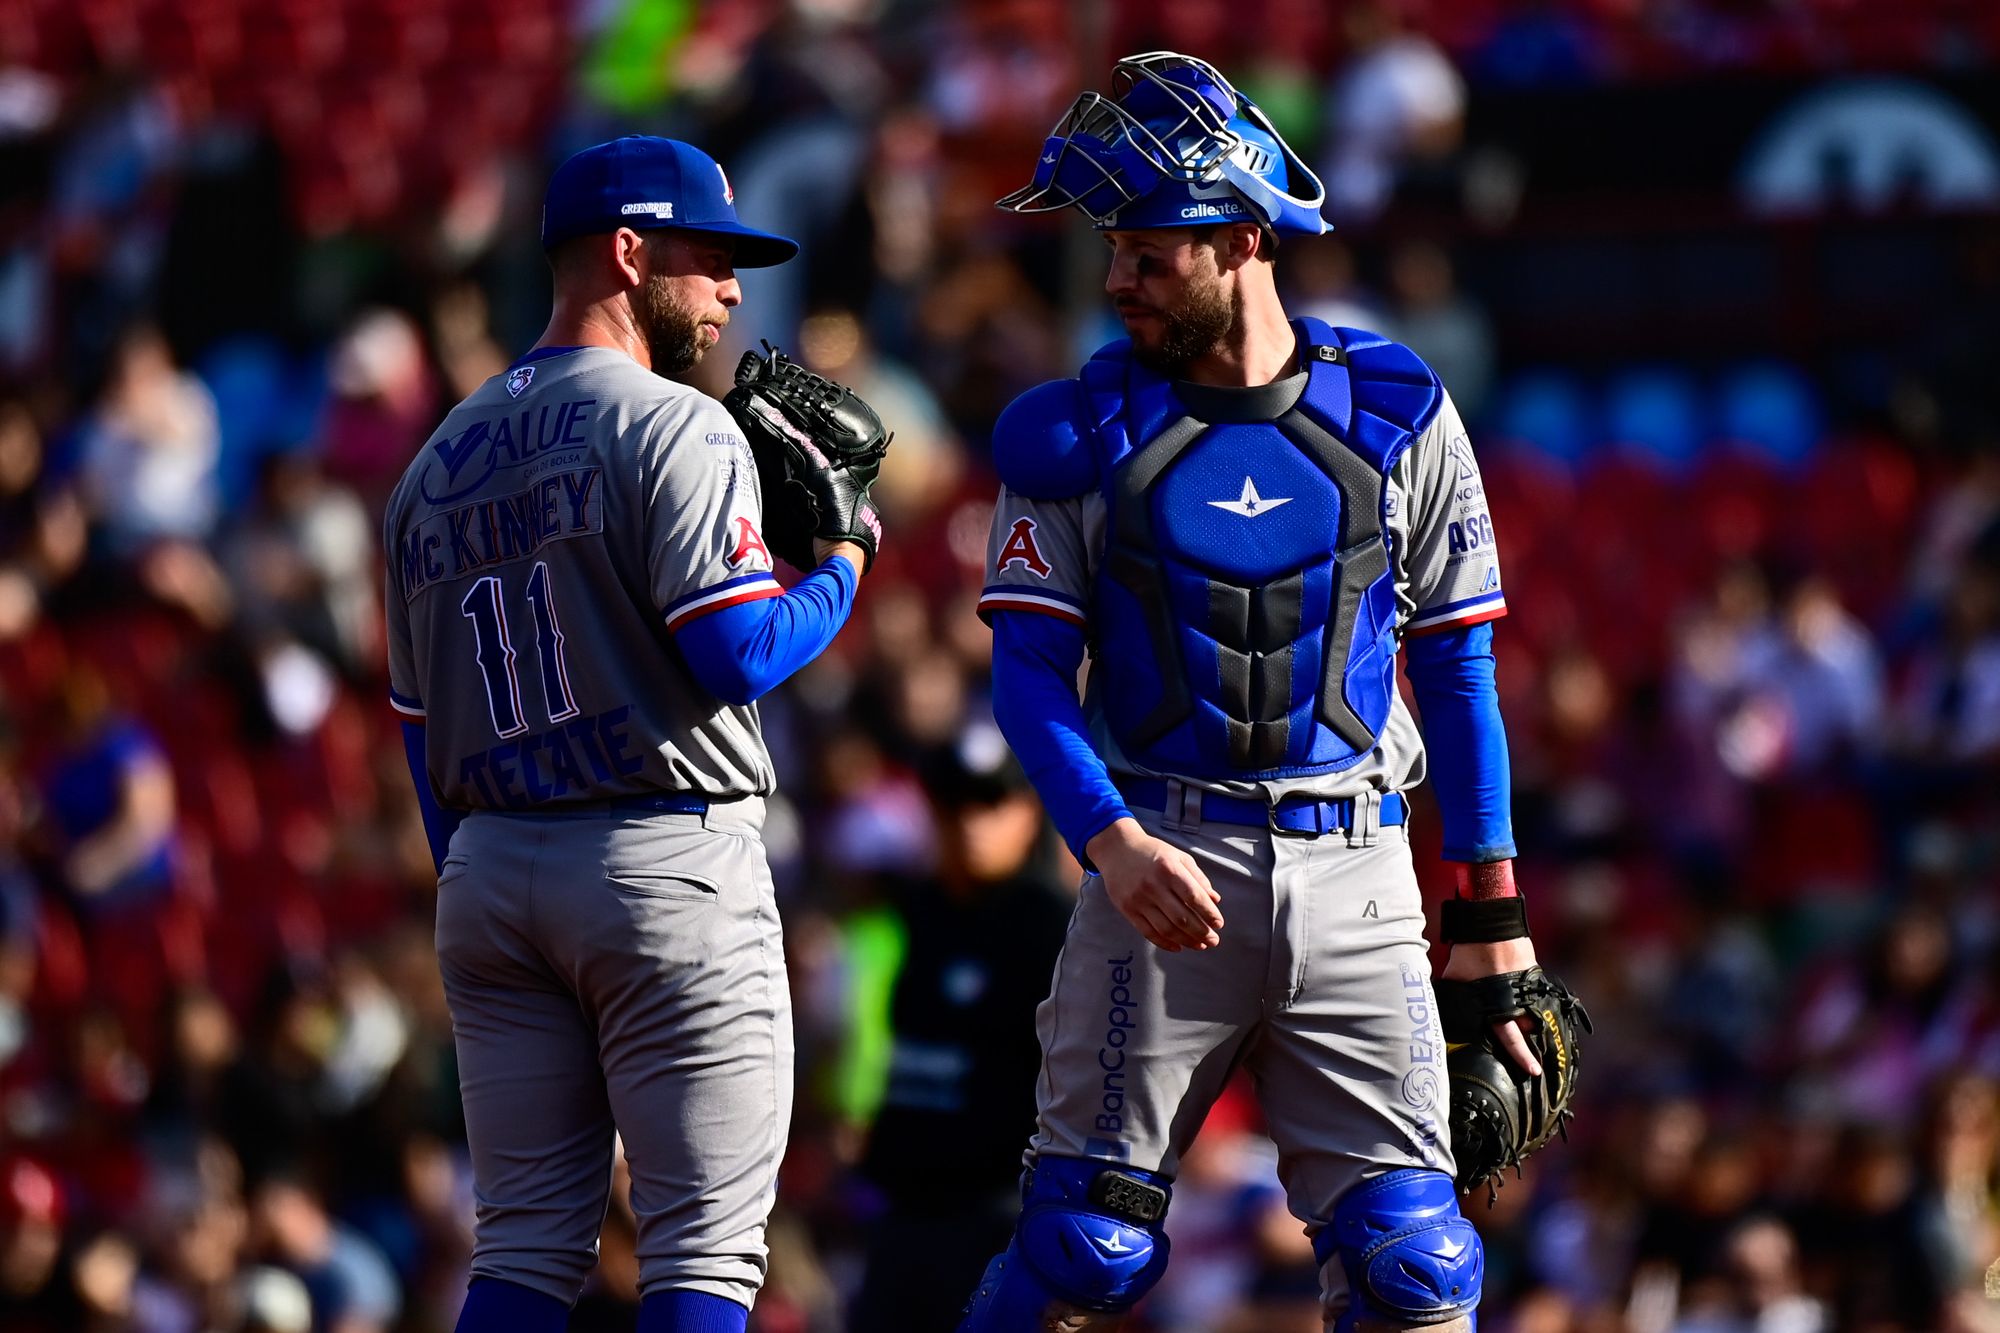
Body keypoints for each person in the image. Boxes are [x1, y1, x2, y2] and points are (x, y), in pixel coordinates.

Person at [962, 54, 1547, 1332]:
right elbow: (1023, 675)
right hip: (1158, 859)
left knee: (1416, 1269)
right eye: (1109, 248)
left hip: (1359, 863)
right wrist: (1107, 841)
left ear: (1238, 237)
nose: (1115, 278)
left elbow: (1455, 668)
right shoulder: (1074, 434)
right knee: (1082, 1247)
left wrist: (1490, 911)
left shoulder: (1394, 409)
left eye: (1146, 251)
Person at [381, 136, 877, 1333]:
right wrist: (849, 557)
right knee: (702, 1256)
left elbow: (415, 730)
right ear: (626, 250)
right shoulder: (678, 428)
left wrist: (480, 868)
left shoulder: (428, 466)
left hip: (492, 871)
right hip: (661, 858)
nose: (730, 291)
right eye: (708, 257)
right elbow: (740, 651)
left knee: (523, 1251)